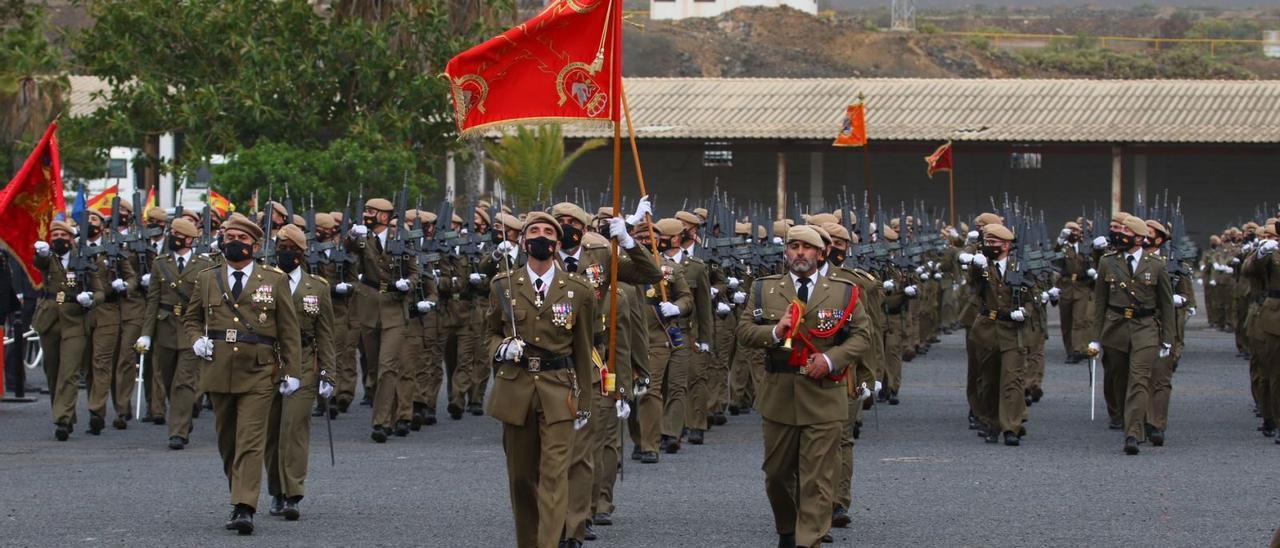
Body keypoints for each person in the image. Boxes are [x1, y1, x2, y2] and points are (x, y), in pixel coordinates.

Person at [736, 225, 873, 548]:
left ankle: (807, 539)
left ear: (821, 254)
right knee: (777, 474)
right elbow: (744, 332)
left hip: (824, 395)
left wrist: (831, 360)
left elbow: (862, 337)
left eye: (807, 247)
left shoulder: (843, 291)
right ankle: (787, 525)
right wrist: (774, 331)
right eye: (794, 246)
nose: (800, 253)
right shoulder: (764, 289)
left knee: (818, 477)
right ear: (786, 252)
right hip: (779, 393)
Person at [182, 215, 303, 534]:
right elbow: (191, 318)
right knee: (227, 442)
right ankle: (240, 490)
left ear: (254, 244)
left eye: (241, 237)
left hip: (259, 371)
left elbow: (289, 331)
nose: (233, 241)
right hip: (218, 368)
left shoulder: (273, 279)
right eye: (229, 236)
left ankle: (243, 506)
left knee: (250, 440)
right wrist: (196, 340)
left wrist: (292, 371)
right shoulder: (207, 277)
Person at [485, 211, 595, 548]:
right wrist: (500, 348)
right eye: (534, 230)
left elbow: (584, 349)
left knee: (553, 475)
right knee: (520, 478)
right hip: (515, 388)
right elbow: (488, 334)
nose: (541, 236)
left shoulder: (578, 290)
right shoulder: (503, 284)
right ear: (522, 240)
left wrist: (586, 403)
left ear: (558, 244)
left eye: (549, 232)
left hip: (558, 388)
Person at [264, 224, 335, 520]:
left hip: (305, 361)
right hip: (269, 361)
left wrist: (328, 373)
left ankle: (293, 493)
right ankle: (276, 492)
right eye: (281, 248)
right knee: (271, 430)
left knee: (294, 428)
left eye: (291, 249)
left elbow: (326, 333)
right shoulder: (263, 281)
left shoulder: (317, 287)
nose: (285, 253)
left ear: (301, 254)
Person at [1088, 215, 1175, 455]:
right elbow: (1100, 303)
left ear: (1138, 238)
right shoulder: (1108, 262)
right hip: (1115, 329)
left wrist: (1168, 338)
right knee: (1120, 379)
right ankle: (1129, 422)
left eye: (1125, 232)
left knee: (1138, 380)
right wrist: (1095, 337)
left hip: (1145, 327)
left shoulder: (1156, 264)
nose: (1119, 235)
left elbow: (1167, 306)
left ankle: (1133, 434)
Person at [135, 217, 217, 449]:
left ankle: (178, 431)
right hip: (164, 328)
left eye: (177, 234)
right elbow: (152, 301)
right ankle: (184, 414)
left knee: (184, 381)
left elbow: (208, 302)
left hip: (191, 330)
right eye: (172, 233)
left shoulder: (203, 264)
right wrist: (146, 334)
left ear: (189, 239)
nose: (173, 237)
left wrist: (209, 331)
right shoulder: (161, 263)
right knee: (169, 379)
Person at [966, 224, 1031, 446]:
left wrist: (1026, 311)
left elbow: (1034, 295)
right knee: (989, 380)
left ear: (1006, 245)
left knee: (1012, 380)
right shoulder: (982, 265)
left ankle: (1011, 427)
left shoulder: (1020, 266)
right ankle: (991, 422)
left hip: (1013, 330)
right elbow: (973, 285)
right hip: (988, 328)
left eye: (994, 243)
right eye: (987, 242)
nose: (989, 246)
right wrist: (975, 266)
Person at [32, 220, 94, 440]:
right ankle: (63, 412)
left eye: (62, 235)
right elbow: (39, 262)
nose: (58, 238)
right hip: (50, 318)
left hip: (75, 320)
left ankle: (62, 419)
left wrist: (92, 298)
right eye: (54, 234)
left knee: (69, 372)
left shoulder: (84, 257)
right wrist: (40, 251)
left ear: (71, 238)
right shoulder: (49, 257)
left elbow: (99, 288)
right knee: (52, 370)